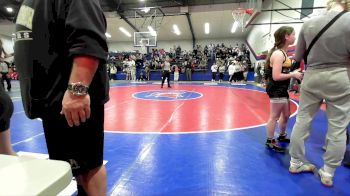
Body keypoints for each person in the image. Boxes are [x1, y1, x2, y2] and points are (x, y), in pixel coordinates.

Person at [14, 0, 109, 195]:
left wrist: (76, 93)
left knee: (88, 166)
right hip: (52, 102)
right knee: (73, 167)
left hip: (69, 102)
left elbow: (88, 39)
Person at [289, 0, 350, 187]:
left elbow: (297, 57)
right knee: (338, 127)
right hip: (341, 76)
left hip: (312, 75)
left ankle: (295, 163)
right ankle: (328, 173)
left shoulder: (308, 23)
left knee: (303, 120)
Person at [264, 26, 303, 152]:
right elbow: (276, 76)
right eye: (293, 34)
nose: (295, 37)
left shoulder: (283, 53)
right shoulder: (278, 54)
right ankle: (270, 140)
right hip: (276, 88)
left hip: (282, 88)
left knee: (286, 115)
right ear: (286, 36)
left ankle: (281, 135)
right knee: (274, 116)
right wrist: (293, 74)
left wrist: (293, 71)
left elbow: (283, 71)